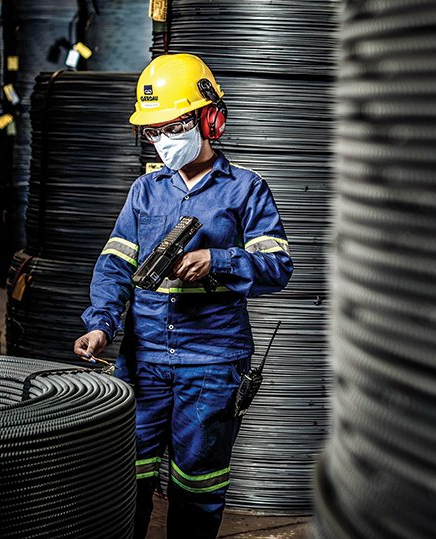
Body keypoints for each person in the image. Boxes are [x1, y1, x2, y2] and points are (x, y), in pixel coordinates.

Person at [73, 53, 292, 539]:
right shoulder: (144, 193)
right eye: (152, 131)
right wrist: (100, 324)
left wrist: (218, 261)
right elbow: (115, 265)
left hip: (212, 364)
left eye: (172, 126)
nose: (161, 140)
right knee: (128, 475)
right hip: (143, 359)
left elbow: (278, 267)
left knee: (198, 481)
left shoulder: (247, 192)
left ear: (209, 118)